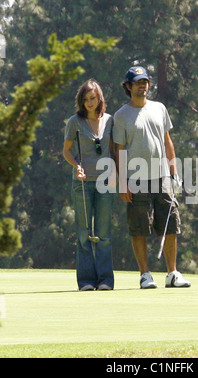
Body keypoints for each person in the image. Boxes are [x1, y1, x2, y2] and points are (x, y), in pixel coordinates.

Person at [113, 66, 191, 289]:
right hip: (136, 179)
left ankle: (172, 273)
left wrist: (174, 172)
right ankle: (145, 275)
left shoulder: (159, 108)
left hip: (163, 176)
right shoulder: (121, 115)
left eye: (145, 81)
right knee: (139, 227)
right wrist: (122, 182)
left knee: (170, 224)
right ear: (128, 86)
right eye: (138, 82)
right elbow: (119, 150)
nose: (142, 85)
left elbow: (167, 141)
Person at [63, 79, 114, 291]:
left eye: (92, 98)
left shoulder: (111, 121)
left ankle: (104, 281)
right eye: (85, 99)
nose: (89, 103)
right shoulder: (74, 122)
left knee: (103, 235)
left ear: (99, 98)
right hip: (82, 184)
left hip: (105, 183)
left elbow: (116, 149)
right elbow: (66, 151)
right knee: (84, 234)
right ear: (81, 102)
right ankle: (85, 281)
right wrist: (77, 166)